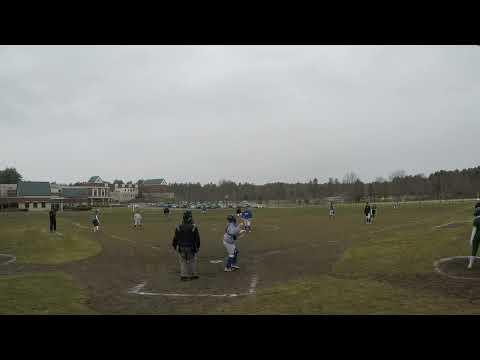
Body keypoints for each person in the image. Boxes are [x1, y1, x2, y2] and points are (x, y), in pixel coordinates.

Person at [172, 211, 200, 281]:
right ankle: (193, 275)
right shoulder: (193, 227)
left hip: (181, 247)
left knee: (183, 261)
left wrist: (174, 246)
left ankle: (184, 275)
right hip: (191, 247)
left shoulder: (178, 227)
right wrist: (197, 247)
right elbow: (197, 239)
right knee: (192, 261)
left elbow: (175, 238)